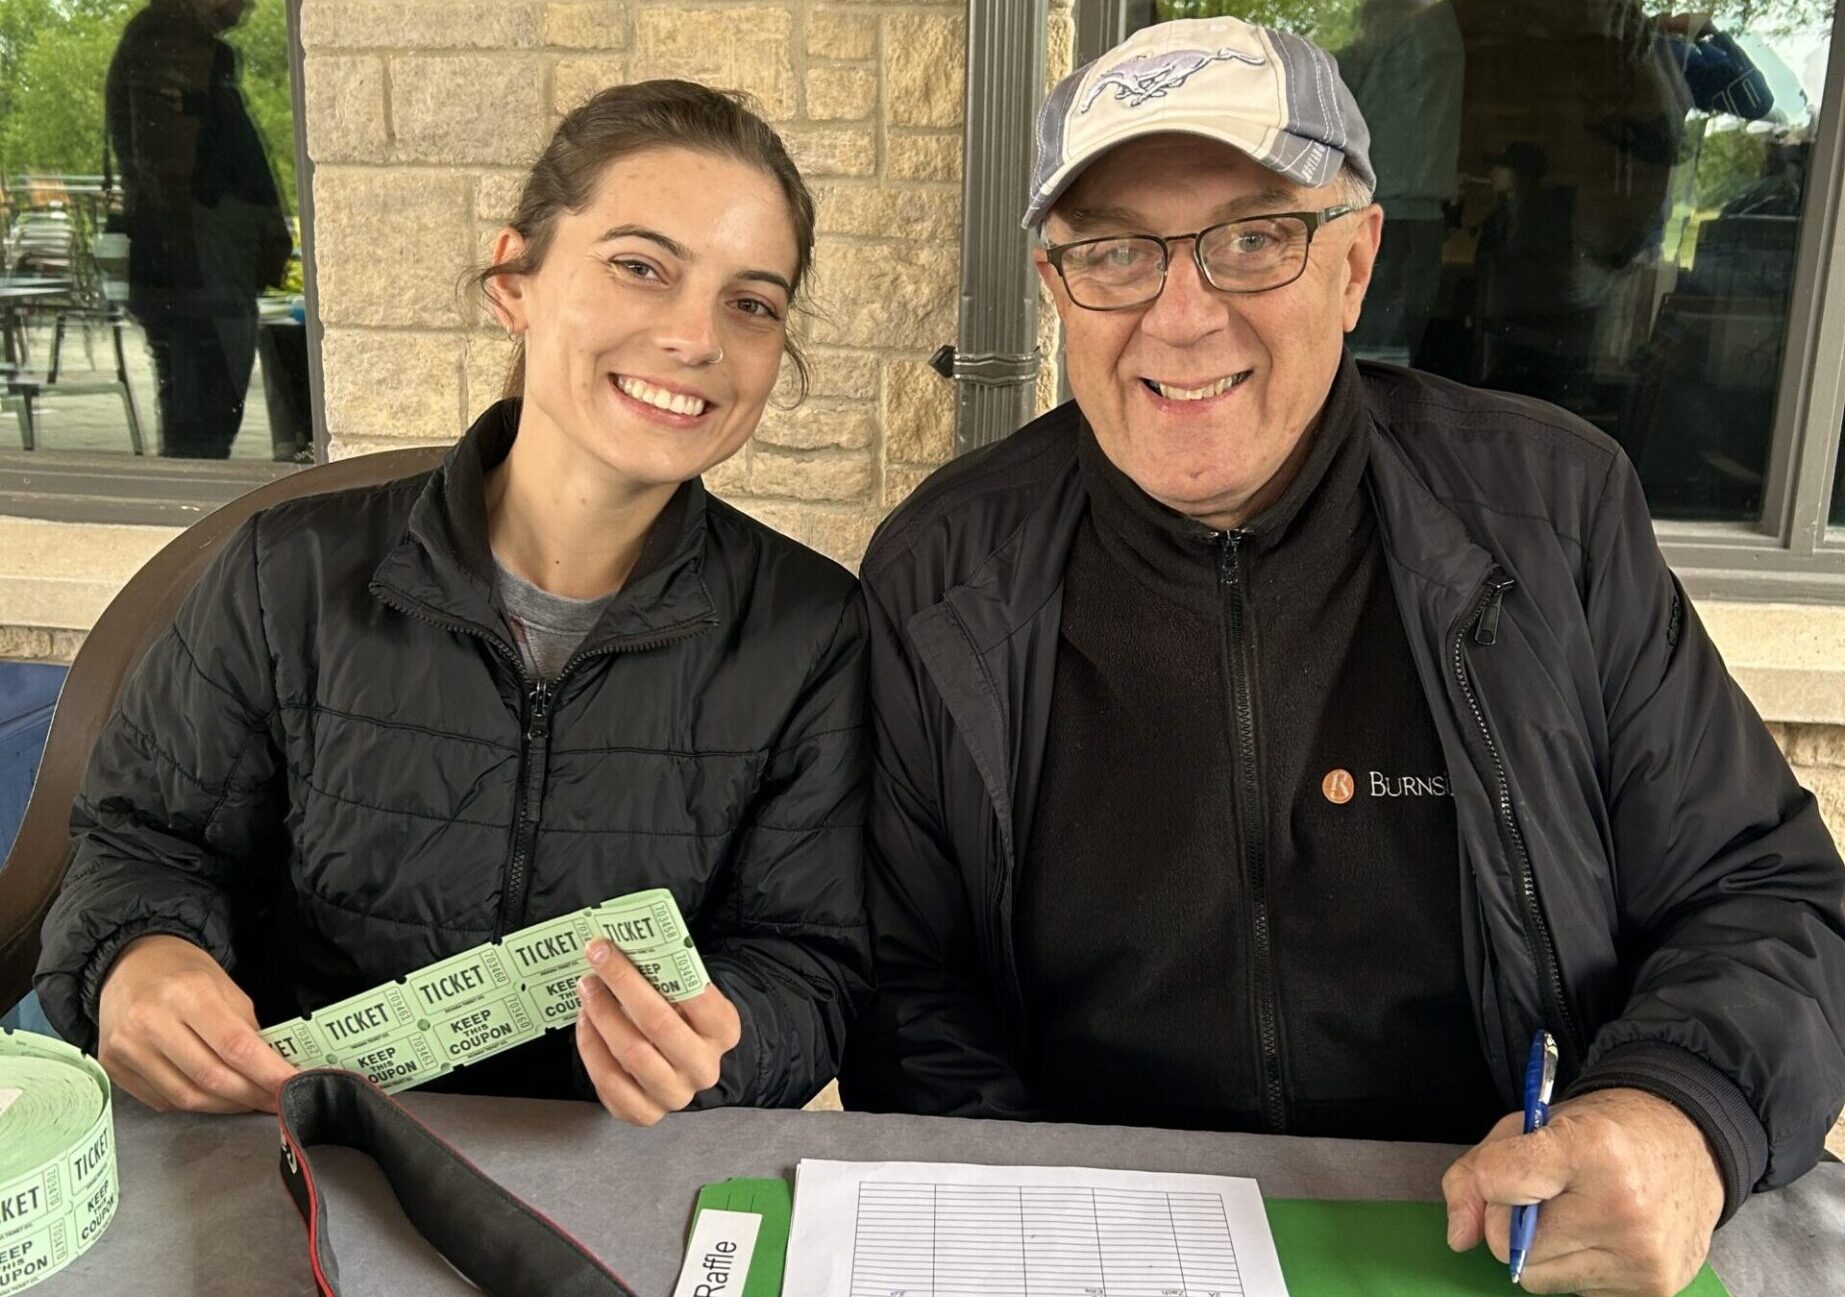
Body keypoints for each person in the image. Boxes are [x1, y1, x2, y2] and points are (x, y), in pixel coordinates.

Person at [838, 17, 1845, 1297]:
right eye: (1115, 251)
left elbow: (1766, 894)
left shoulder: (1549, 512)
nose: (1181, 315)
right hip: (1099, 1231)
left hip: (1501, 1231)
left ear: (1357, 260)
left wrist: (1678, 1107)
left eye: (1253, 237)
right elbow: (902, 983)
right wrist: (1037, 1221)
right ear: (1056, 287)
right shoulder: (942, 573)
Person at [38, 81, 871, 1127]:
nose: (696, 336)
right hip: (289, 1153)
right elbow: (140, 841)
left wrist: (725, 1039)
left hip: (612, 1182)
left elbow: (813, 960)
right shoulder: (286, 574)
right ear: (515, 277)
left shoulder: (810, 632)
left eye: (752, 302)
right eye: (640, 267)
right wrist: (139, 958)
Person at [106, 0, 292, 459]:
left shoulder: (186, 40)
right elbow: (165, 168)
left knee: (208, 414)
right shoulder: (169, 36)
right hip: (192, 278)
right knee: (199, 427)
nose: (249, 3)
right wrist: (194, 275)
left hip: (204, 275)